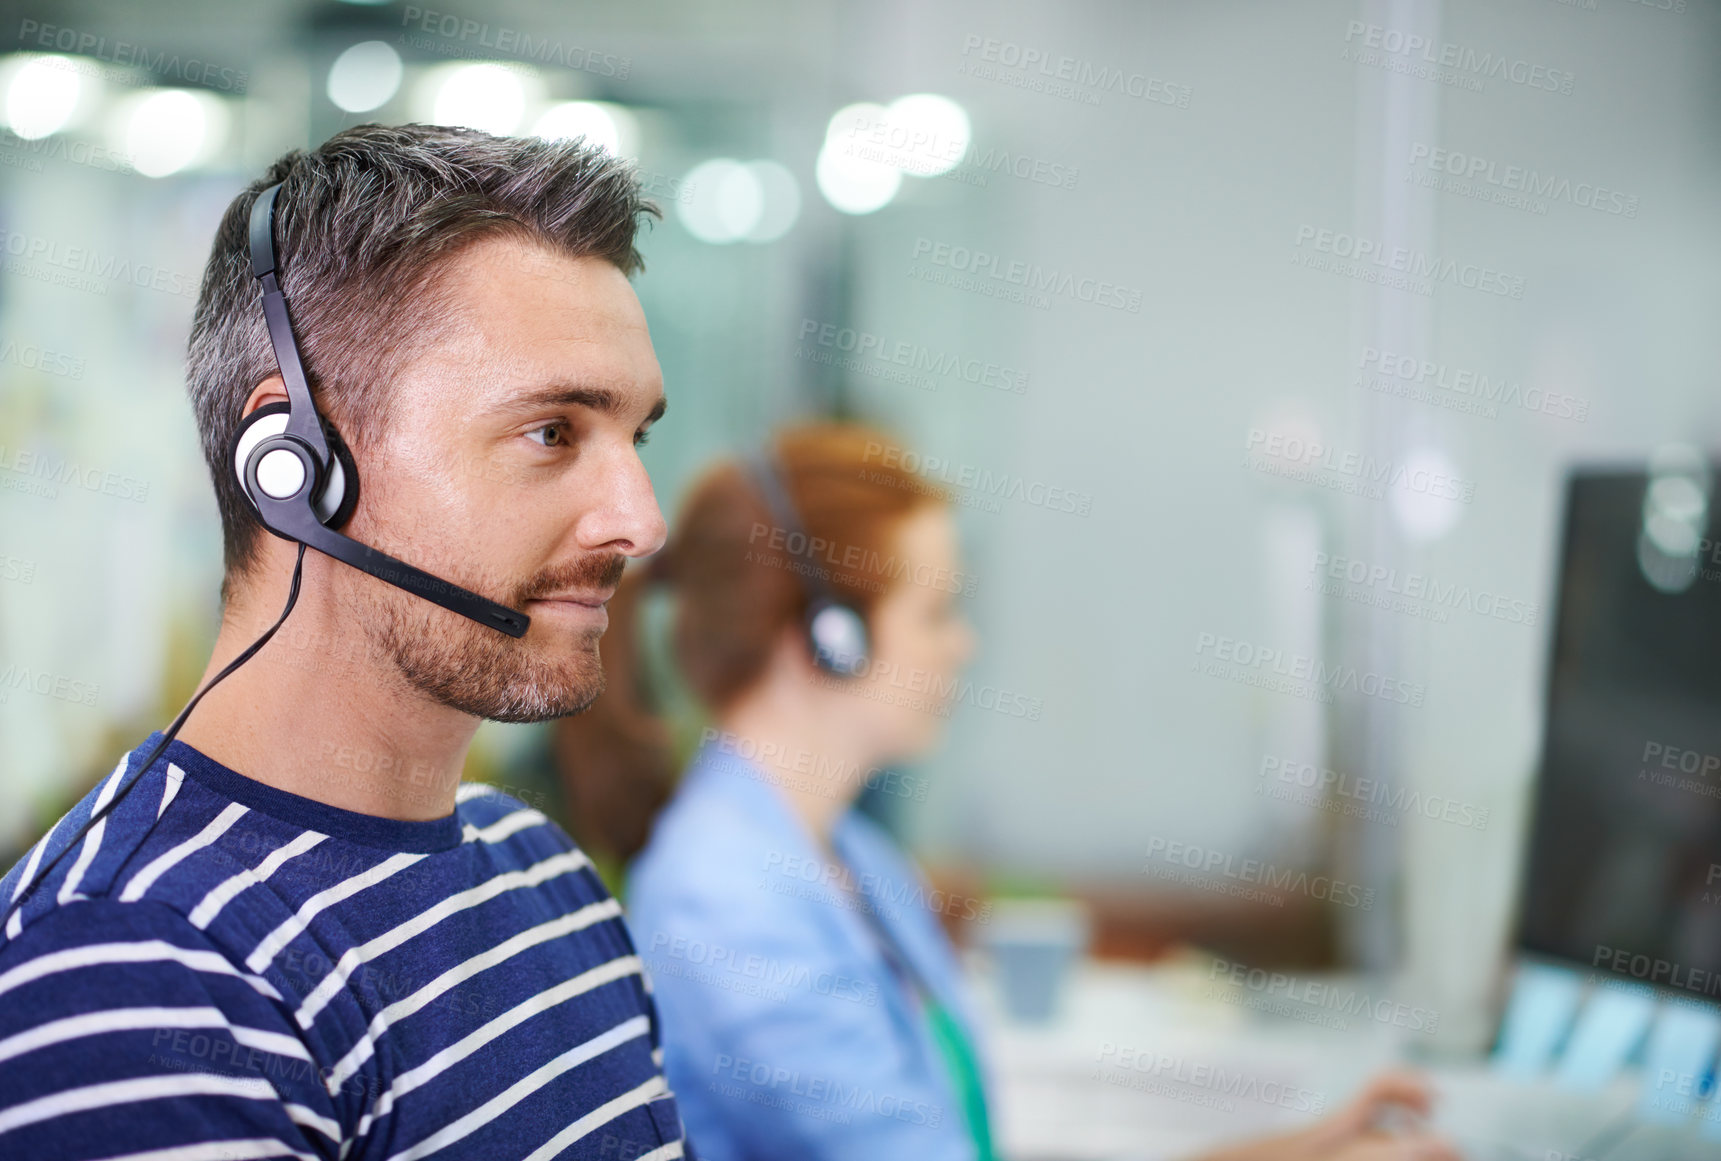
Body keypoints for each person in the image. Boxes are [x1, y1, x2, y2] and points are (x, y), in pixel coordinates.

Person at [0, 124, 696, 1160]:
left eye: (632, 439)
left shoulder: (539, 875)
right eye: (552, 431)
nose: (640, 522)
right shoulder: (138, 968)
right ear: (294, 464)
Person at [557, 422, 1461, 1161]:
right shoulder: (728, 906)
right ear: (828, 637)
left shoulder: (850, 859)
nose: (962, 647)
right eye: (937, 610)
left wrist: (1299, 1149)